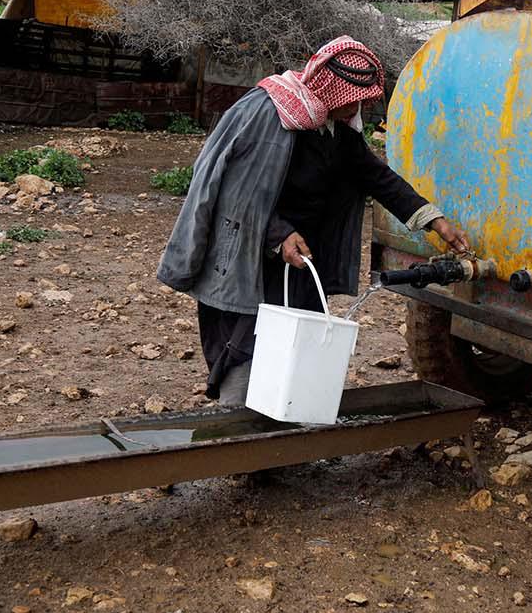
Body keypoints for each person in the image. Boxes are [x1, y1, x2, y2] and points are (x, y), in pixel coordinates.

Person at [156, 36, 469, 405]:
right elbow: (236, 191)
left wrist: (434, 221)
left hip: (301, 258)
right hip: (247, 253)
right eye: (351, 100)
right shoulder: (269, 113)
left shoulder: (336, 128)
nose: (356, 108)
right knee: (245, 341)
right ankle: (236, 431)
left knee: (297, 341)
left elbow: (377, 177)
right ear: (329, 90)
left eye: (360, 101)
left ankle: (284, 428)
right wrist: (280, 235)